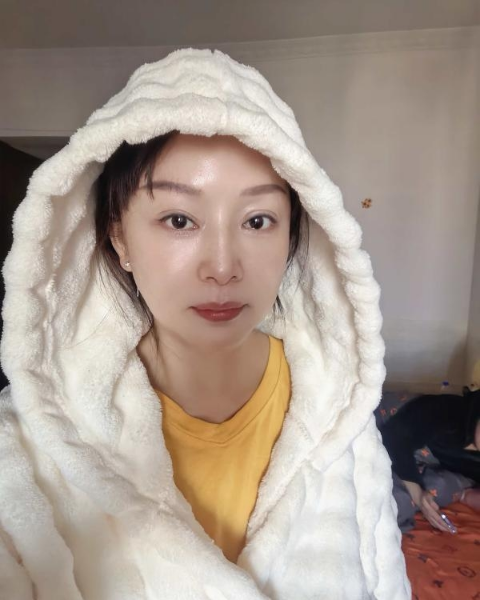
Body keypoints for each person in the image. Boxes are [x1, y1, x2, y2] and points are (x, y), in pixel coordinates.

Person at [0, 48, 410, 599]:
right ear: (120, 238)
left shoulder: (340, 413)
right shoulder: (29, 443)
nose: (222, 266)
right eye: (179, 219)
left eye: (257, 220)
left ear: (295, 234)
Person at [380, 389, 480, 533]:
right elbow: (396, 437)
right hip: (393, 423)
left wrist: (466, 496)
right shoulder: (452, 410)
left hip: (426, 461)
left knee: (397, 504)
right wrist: (418, 494)